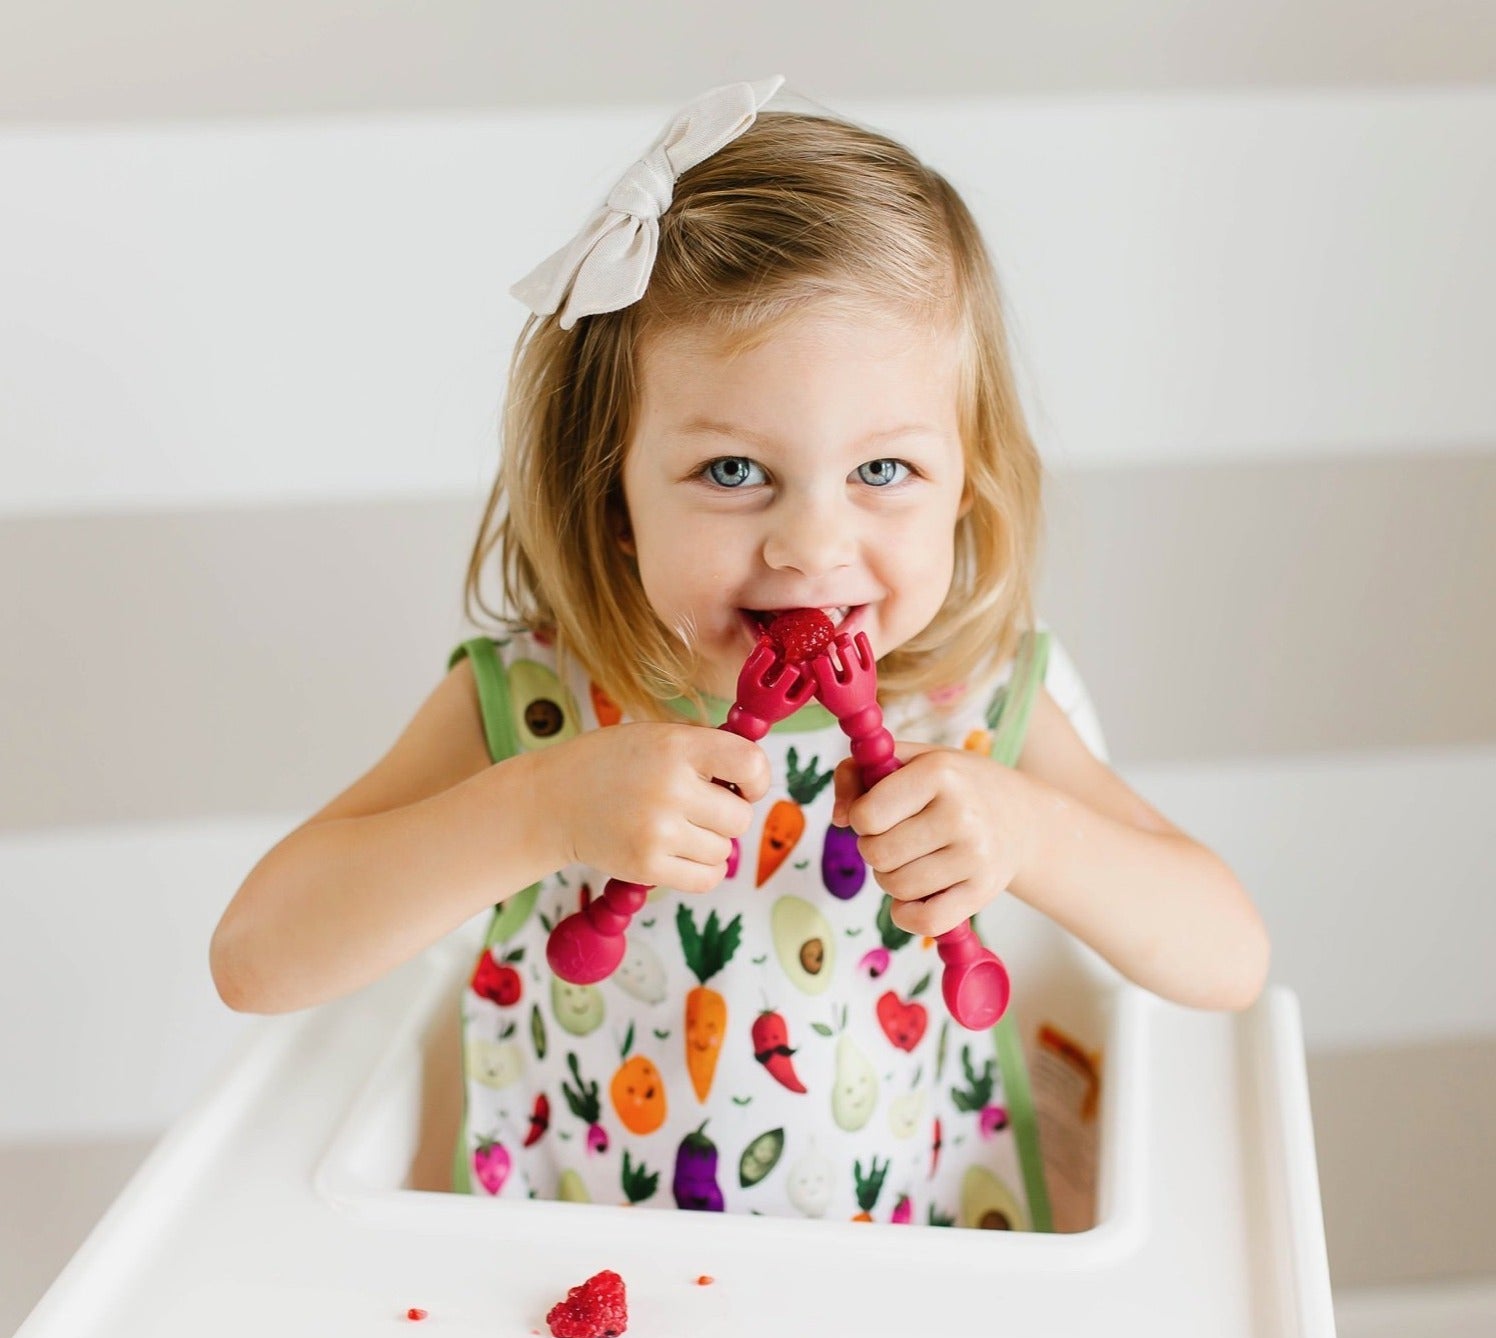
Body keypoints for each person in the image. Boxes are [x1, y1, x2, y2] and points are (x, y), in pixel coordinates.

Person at [210, 77, 1269, 1227]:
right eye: (731, 471)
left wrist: (1028, 831)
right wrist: (536, 812)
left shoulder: (972, 702)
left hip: (907, 1264)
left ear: (964, 487)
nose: (811, 545)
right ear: (612, 498)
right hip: (571, 1262)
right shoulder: (540, 703)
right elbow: (256, 957)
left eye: (882, 471)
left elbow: (1226, 958)